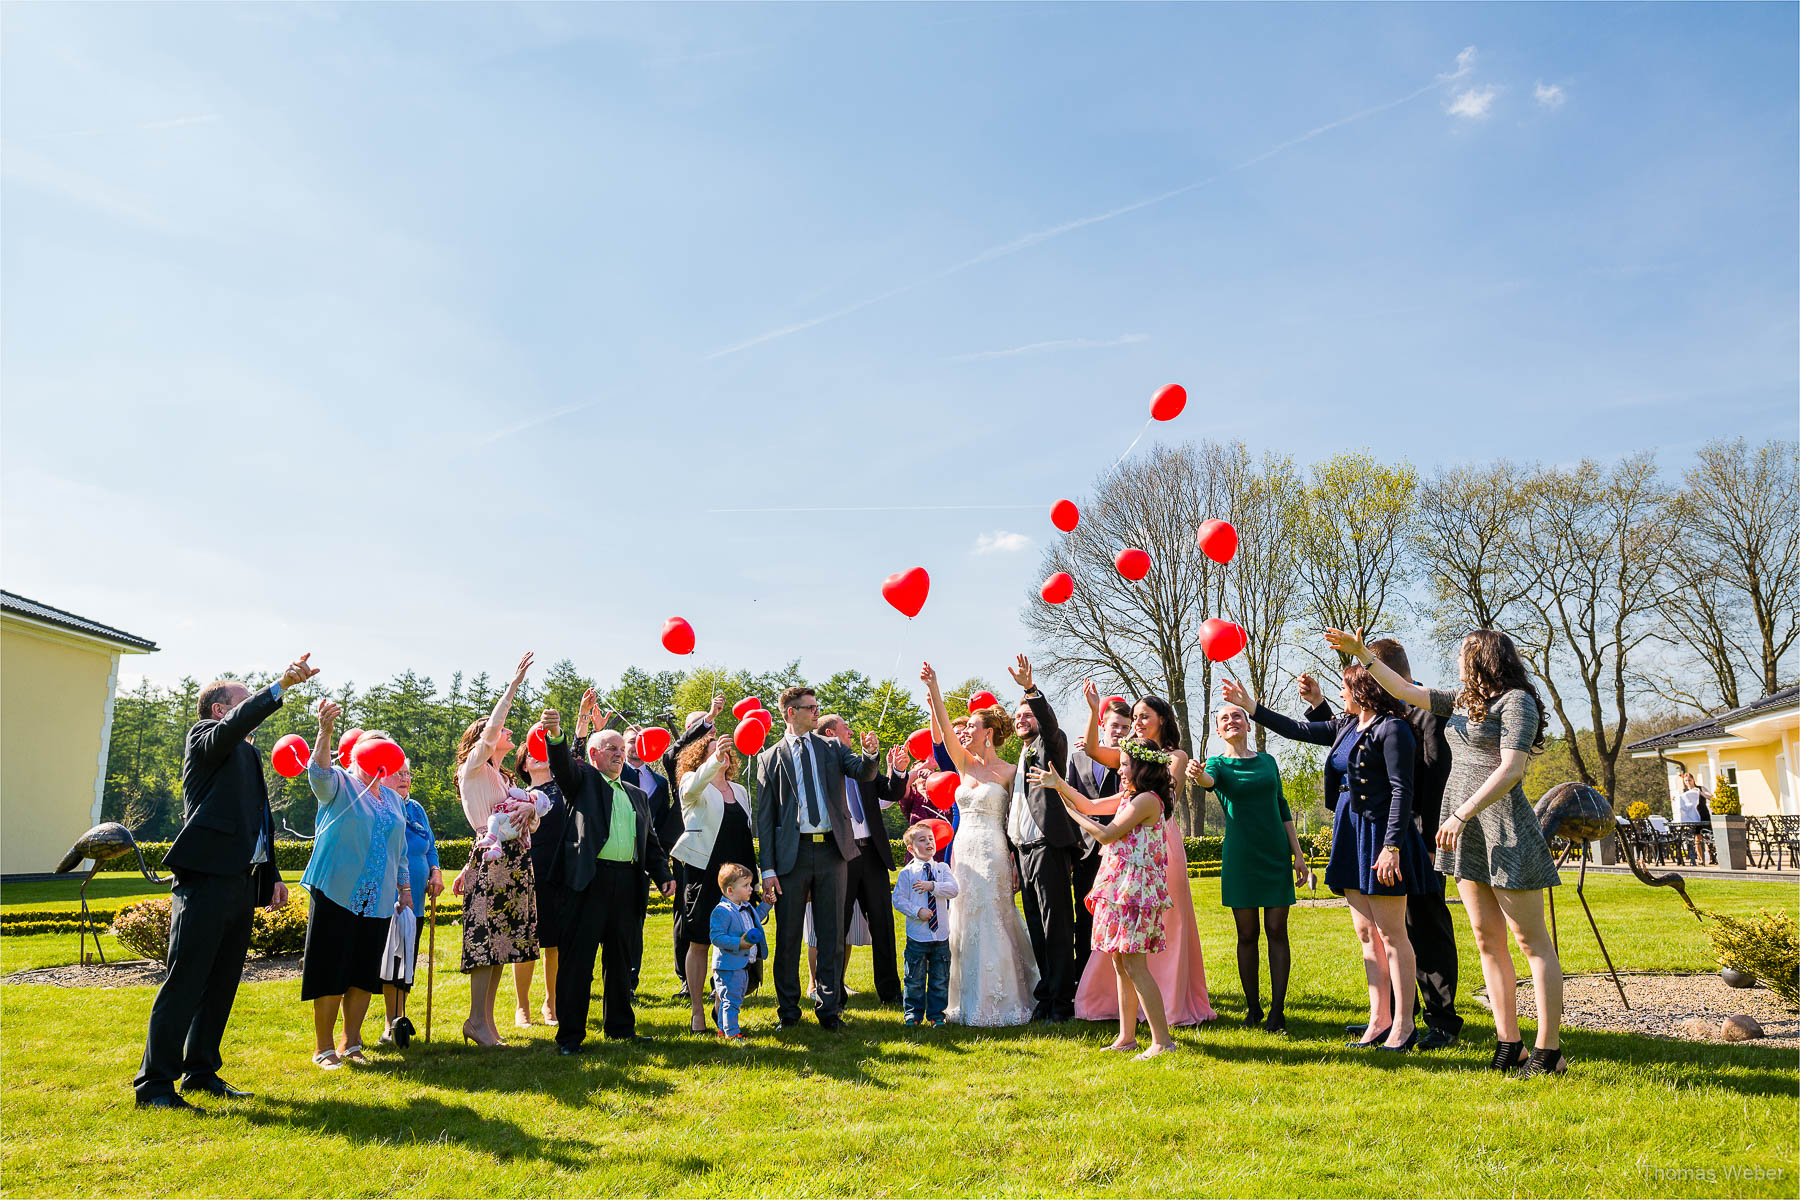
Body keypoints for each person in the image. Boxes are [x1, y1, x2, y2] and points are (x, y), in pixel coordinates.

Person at [1326, 625, 1566, 1078]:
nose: (1456, 661)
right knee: (1486, 941)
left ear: (1483, 657)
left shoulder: (1517, 702)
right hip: (1466, 836)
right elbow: (1402, 688)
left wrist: (1460, 814)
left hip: (1505, 831)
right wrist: (1361, 654)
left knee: (1530, 942)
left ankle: (1548, 1050)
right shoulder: (1460, 701)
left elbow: (1512, 768)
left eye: (1462, 654)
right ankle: (1508, 1041)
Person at [134, 655, 313, 1112]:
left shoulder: (250, 755)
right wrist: (278, 687)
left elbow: (259, 820)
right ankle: (154, 1085)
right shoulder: (203, 739)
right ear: (219, 710)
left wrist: (270, 873)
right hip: (205, 880)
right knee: (186, 979)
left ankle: (201, 1073)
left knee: (222, 982)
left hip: (241, 882)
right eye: (241, 698)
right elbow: (239, 723)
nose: (248, 704)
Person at [1296, 635, 1465, 1050]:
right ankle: (1387, 1018)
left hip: (1418, 836)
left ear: (1382, 672)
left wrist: (1426, 842)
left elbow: (1431, 782)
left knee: (1424, 926)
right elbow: (1346, 738)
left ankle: (1440, 1019)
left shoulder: (1426, 714)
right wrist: (1320, 704)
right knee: (1384, 929)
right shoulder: (1379, 713)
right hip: (1377, 830)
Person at [1072, 686, 1215, 1026]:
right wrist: (1095, 711)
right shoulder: (1129, 753)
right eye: (1133, 717)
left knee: (1167, 920)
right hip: (1126, 841)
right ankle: (1123, 1013)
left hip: (1158, 840)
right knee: (1125, 927)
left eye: (1143, 717)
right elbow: (1092, 749)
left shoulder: (1174, 757)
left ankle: (1168, 1006)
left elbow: (1166, 800)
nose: (1136, 722)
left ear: (1162, 720)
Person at [1031, 740, 1179, 1060]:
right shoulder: (1128, 797)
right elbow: (1089, 804)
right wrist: (1059, 785)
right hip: (1118, 887)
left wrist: (1068, 812)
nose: (1120, 770)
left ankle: (1162, 1041)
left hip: (1136, 891)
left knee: (1136, 966)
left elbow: (1107, 834)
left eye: (1125, 764)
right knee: (1119, 963)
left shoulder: (1147, 801)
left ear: (1143, 767)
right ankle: (1127, 1037)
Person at [751, 685, 883, 1030]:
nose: (816, 711)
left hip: (832, 852)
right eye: (809, 707)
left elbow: (863, 772)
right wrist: (768, 869)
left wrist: (871, 755)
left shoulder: (832, 747)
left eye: (816, 706)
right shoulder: (769, 758)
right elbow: (764, 821)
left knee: (831, 935)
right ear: (790, 712)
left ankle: (829, 1010)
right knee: (789, 937)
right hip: (790, 858)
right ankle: (788, 1014)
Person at [544, 712, 675, 1052]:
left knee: (620, 961)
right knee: (578, 964)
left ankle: (620, 1027)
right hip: (589, 883)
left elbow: (650, 842)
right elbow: (562, 766)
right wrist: (556, 733)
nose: (619, 753)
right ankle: (570, 1037)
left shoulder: (637, 795)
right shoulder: (584, 783)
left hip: (628, 883)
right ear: (594, 755)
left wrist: (663, 876)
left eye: (621, 748)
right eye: (611, 748)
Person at [918, 662, 1038, 1026]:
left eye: (972, 725)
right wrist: (935, 688)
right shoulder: (963, 764)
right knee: (964, 919)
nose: (966, 730)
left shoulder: (1010, 772)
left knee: (994, 916)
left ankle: (1005, 998)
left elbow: (1018, 819)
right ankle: (964, 999)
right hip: (963, 851)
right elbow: (943, 733)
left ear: (988, 733)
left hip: (994, 850)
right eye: (966, 726)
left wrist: (1017, 860)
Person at [1185, 705, 1310, 1033]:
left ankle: (1278, 1011)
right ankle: (1253, 1008)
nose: (1231, 721)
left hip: (1275, 855)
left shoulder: (1268, 761)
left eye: (1237, 716)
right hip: (1240, 858)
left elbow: (1281, 805)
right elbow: (1208, 781)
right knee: (1247, 934)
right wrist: (1198, 775)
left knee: (1277, 930)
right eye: (1224, 718)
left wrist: (1297, 854)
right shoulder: (1217, 763)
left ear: (1247, 724)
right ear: (1218, 730)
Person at [300, 715, 411, 1067]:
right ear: (357, 755)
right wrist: (324, 732)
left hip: (378, 899)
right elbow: (316, 774)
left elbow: (401, 848)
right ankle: (324, 1047)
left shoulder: (394, 800)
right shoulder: (341, 785)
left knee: (364, 972)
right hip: (336, 890)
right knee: (332, 968)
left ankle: (351, 1043)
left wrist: (404, 888)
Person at [451, 652, 539, 1048]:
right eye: (497, 730)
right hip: (491, 861)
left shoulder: (504, 778)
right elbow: (492, 730)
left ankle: (485, 1022)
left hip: (514, 861)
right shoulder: (473, 768)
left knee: (502, 943)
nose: (506, 732)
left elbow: (532, 819)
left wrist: (529, 808)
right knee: (486, 941)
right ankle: (475, 1020)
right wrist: (513, 687)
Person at [617, 695, 719, 998]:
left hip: (713, 842)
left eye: (709, 728)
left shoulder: (660, 782)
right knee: (685, 911)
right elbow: (675, 751)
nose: (707, 733)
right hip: (683, 845)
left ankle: (721, 979)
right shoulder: (678, 761)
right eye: (699, 728)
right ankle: (687, 979)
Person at [1002, 653, 1081, 1024]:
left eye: (1027, 715)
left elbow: (1049, 724)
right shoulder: (1020, 754)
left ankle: (1064, 1004)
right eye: (1018, 716)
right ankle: (1046, 998)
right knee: (1037, 927)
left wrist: (1030, 690)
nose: (1022, 719)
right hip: (1024, 852)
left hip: (1048, 849)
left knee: (1057, 928)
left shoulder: (1050, 744)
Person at [673, 725, 757, 1034]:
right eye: (712, 753)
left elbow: (746, 836)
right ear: (700, 760)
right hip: (703, 872)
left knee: (737, 943)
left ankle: (725, 1012)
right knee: (700, 941)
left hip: (737, 877)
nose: (721, 756)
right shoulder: (690, 783)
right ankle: (697, 1013)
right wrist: (712, 763)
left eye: (724, 752)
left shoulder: (741, 791)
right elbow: (693, 787)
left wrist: (752, 881)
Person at [818, 713, 902, 1006]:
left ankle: (891, 993)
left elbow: (891, 791)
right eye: (846, 729)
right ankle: (832, 993)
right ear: (831, 733)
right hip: (839, 855)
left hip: (872, 854)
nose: (851, 732)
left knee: (883, 923)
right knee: (836, 926)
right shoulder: (821, 769)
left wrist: (899, 773)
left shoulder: (862, 765)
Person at [381, 760, 444, 1044]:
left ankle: (400, 1017)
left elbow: (430, 847)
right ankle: (390, 1022)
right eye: (398, 773)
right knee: (392, 961)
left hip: (416, 899)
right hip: (392, 899)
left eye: (407, 773)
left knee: (408, 959)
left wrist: (436, 871)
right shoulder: (382, 805)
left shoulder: (416, 808)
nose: (405, 778)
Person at [1068, 696, 1130, 980]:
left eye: (1125, 727)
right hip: (1083, 850)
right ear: (1102, 724)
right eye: (1115, 725)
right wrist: (1072, 844)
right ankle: (1083, 979)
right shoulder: (1077, 757)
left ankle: (1112, 981)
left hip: (1119, 849)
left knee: (1117, 918)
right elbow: (1069, 800)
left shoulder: (1130, 762)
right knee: (1084, 919)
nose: (1119, 732)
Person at [510, 731, 564, 1028]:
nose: (538, 755)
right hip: (527, 870)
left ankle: (551, 1004)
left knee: (553, 944)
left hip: (558, 871)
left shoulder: (562, 789)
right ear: (524, 766)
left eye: (542, 751)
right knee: (526, 941)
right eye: (531, 753)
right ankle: (522, 1007)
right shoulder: (514, 795)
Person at [892, 822, 959, 1026]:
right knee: (914, 978)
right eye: (922, 840)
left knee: (940, 978)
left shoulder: (942, 869)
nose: (929, 842)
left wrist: (933, 886)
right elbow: (898, 899)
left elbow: (953, 890)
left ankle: (937, 1015)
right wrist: (917, 911)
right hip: (918, 936)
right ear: (911, 848)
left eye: (931, 838)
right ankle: (912, 1014)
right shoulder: (907, 873)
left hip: (940, 936)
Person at [708, 863, 768, 1040]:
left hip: (741, 965)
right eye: (746, 886)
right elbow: (716, 937)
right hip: (728, 966)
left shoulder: (746, 907)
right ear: (730, 891)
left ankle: (722, 1029)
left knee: (734, 998)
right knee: (731, 1001)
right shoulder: (721, 911)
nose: (751, 889)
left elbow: (757, 918)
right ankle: (732, 1033)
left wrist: (767, 904)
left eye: (750, 884)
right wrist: (738, 943)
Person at [1674, 772, 1714, 864]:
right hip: (1693, 817)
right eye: (1686, 780)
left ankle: (1712, 857)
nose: (1688, 782)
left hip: (1703, 814)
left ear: (1693, 780)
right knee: (1697, 837)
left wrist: (1700, 793)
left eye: (1689, 780)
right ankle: (1701, 859)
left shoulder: (1700, 788)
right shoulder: (1684, 792)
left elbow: (1711, 797)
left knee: (1708, 836)